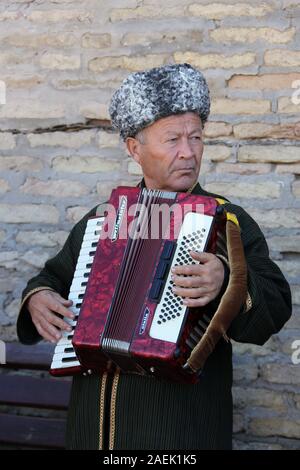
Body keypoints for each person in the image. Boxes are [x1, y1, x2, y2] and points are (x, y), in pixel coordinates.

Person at [17, 63, 292, 450]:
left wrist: (227, 280)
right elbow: (53, 277)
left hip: (178, 432)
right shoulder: (104, 220)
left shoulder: (227, 219)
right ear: (135, 149)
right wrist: (39, 299)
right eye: (172, 139)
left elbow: (277, 303)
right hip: (90, 430)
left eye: (195, 137)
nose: (188, 152)